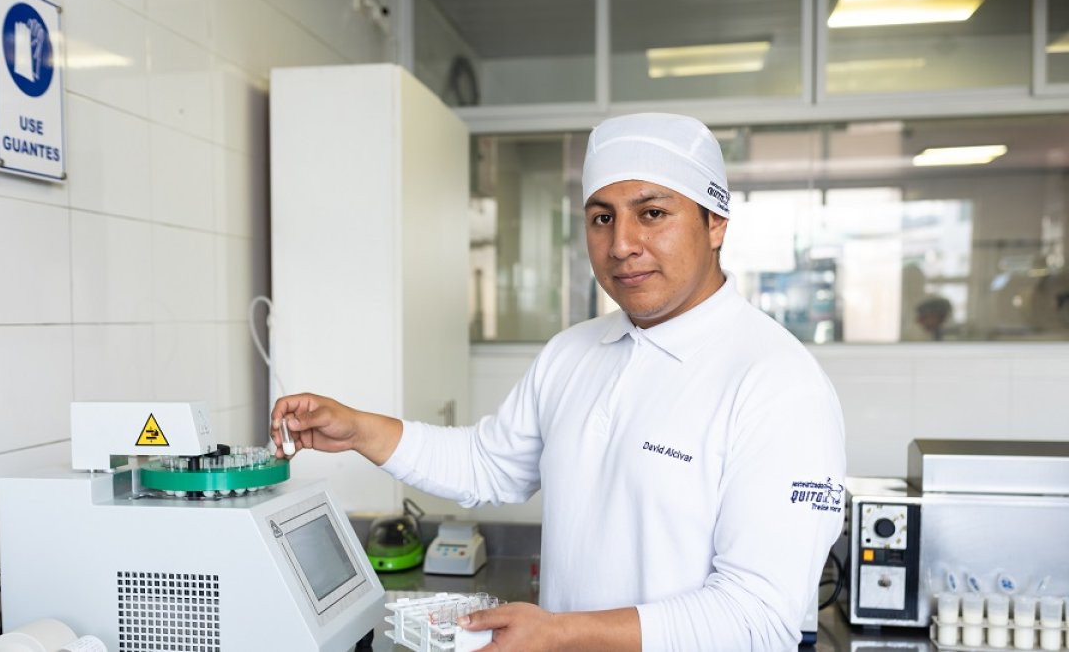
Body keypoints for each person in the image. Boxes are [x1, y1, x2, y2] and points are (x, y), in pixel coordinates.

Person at [272, 113, 846, 651]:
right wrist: (359, 430)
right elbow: (488, 464)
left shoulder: (778, 382)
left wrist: (561, 634)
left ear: (715, 222)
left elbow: (759, 617)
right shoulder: (573, 353)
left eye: (652, 213)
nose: (621, 244)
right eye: (603, 218)